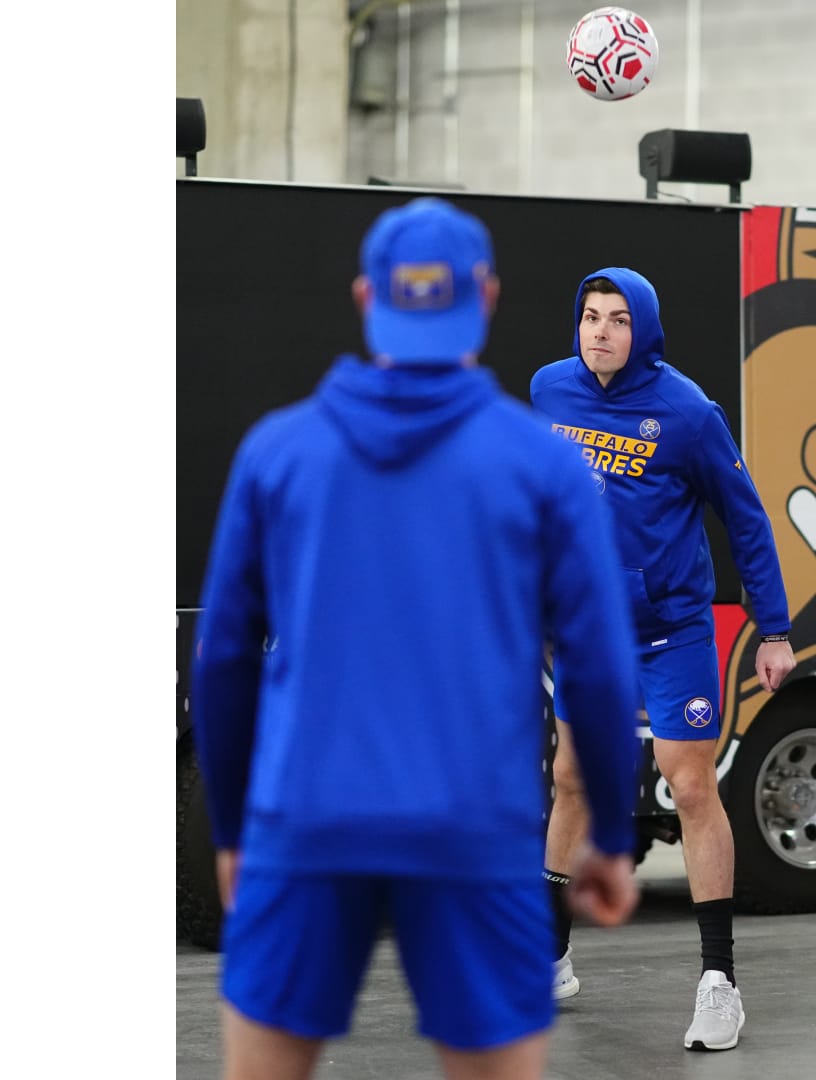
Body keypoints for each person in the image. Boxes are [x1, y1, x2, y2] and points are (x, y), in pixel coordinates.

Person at [191, 199, 644, 1080]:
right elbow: (597, 667)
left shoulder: (278, 453)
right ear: (487, 296)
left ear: (367, 298)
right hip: (473, 829)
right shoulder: (545, 466)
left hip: (305, 824)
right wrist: (612, 840)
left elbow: (223, 660)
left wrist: (235, 834)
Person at [529, 267, 797, 1052]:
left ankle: (720, 984)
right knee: (571, 779)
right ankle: (548, 959)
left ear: (641, 329)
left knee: (689, 785)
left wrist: (773, 628)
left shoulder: (687, 413)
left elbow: (746, 519)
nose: (601, 331)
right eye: (590, 316)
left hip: (669, 629)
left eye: (618, 319)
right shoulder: (549, 391)